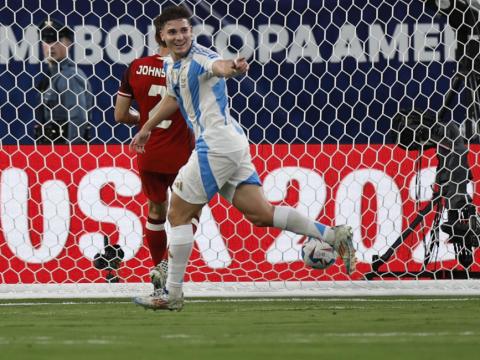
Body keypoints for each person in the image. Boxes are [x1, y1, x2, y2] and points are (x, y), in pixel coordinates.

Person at [130, 5, 356, 311]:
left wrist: (233, 68)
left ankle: (172, 293)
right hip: (232, 143)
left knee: (178, 214)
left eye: (185, 30)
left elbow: (218, 66)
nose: (181, 36)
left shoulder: (201, 58)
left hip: (216, 145)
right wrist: (146, 128)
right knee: (260, 213)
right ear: (161, 36)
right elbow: (173, 97)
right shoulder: (172, 67)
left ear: (191, 31)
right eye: (173, 32)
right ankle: (334, 235)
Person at [114, 30, 196, 294]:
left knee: (156, 210)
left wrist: (144, 121)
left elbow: (120, 115)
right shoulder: (188, 67)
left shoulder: (136, 67)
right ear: (168, 37)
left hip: (149, 150)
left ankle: (158, 265)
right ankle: (172, 267)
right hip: (184, 151)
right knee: (190, 212)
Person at [34, 18, 92, 144]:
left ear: (68, 43)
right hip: (51, 150)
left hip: (64, 152)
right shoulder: (50, 76)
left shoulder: (69, 76)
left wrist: (71, 154)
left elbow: (78, 118)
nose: (51, 46)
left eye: (56, 40)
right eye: (46, 41)